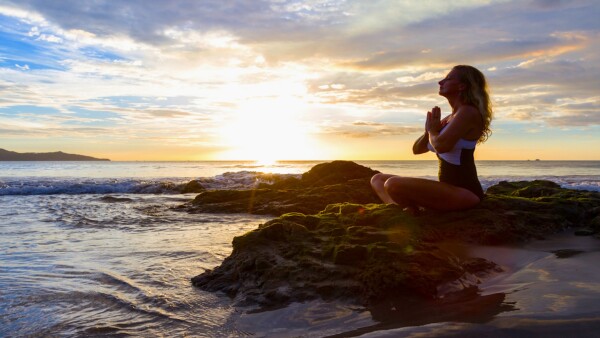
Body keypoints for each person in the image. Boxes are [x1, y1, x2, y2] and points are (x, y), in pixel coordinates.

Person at [371, 65, 493, 211]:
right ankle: (403, 210)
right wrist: (427, 131)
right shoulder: (451, 118)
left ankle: (407, 210)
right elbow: (417, 150)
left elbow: (441, 146)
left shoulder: (468, 112)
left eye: (448, 79)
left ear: (462, 86)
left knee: (392, 184)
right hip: (446, 188)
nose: (440, 82)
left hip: (465, 193)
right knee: (378, 179)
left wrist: (432, 131)